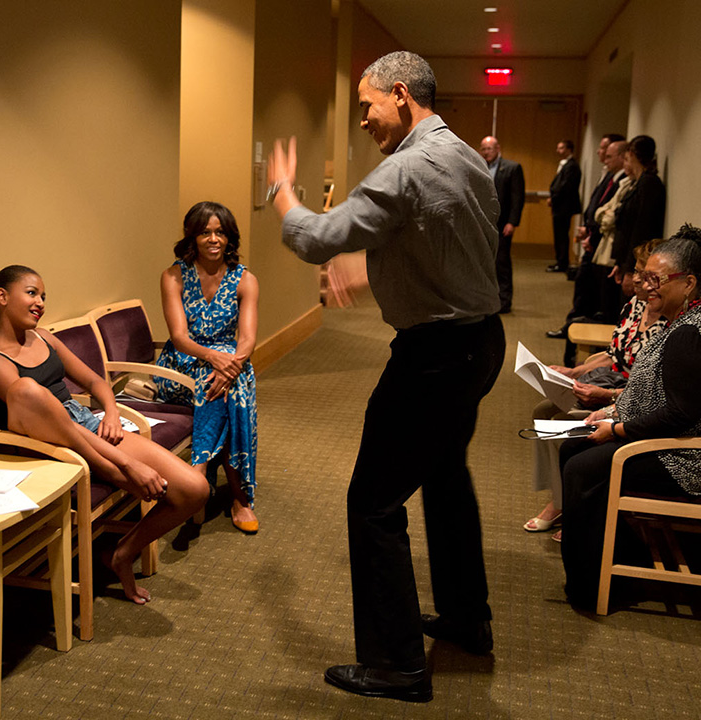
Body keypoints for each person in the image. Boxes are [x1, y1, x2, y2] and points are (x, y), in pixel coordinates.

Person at [266, 50, 504, 703]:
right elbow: (440, 241)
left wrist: (281, 192)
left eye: (367, 106)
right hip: (480, 344)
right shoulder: (465, 158)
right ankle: (465, 619)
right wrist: (374, 263)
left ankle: (397, 664)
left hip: (433, 358)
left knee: (372, 501)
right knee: (445, 477)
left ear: (401, 94)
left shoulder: (407, 168)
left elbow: (316, 237)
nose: (365, 120)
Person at [0, 265, 210, 605]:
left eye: (43, 296)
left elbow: (95, 381)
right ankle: (125, 469)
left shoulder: (45, 338)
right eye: (31, 293)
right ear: (2, 296)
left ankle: (121, 553)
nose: (40, 302)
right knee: (31, 390)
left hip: (85, 426)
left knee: (195, 489)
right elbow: (56, 426)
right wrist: (129, 464)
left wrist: (112, 413)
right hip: (53, 445)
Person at [557, 225, 701, 610]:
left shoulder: (692, 333)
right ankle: (619, 557)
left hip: (695, 457)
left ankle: (591, 587)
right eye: (643, 277)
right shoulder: (682, 319)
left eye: (655, 279)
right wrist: (612, 412)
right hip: (675, 441)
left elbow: (679, 413)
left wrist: (617, 429)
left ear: (689, 283)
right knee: (572, 447)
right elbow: (660, 395)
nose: (645, 287)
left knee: (583, 469)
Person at [524, 240, 667, 542]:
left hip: (626, 395)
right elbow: (614, 354)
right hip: (611, 381)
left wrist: (605, 397)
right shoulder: (634, 306)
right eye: (637, 272)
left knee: (563, 424)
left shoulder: (670, 321)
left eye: (645, 274)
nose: (636, 279)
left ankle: (569, 504)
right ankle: (562, 499)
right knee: (542, 411)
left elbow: (652, 390)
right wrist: (573, 372)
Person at [153, 201, 260, 534]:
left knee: (230, 388)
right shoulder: (173, 276)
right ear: (192, 237)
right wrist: (215, 360)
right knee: (223, 387)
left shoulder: (246, 280)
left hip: (229, 364)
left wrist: (229, 367)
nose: (213, 239)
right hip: (181, 365)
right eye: (205, 232)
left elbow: (247, 339)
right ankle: (240, 497)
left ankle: (196, 475)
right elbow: (179, 337)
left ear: (229, 238)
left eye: (220, 232)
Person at [546, 136, 627, 349]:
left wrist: (593, 232)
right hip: (593, 238)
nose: (603, 157)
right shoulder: (609, 176)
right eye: (602, 151)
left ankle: (578, 327)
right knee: (583, 286)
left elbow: (609, 214)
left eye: (608, 154)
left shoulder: (621, 181)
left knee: (590, 289)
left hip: (601, 245)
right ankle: (573, 324)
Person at [601, 134, 666, 321]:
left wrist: (631, 270)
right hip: (626, 261)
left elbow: (640, 230)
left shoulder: (649, 184)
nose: (625, 164)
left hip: (636, 262)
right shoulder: (637, 184)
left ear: (634, 156)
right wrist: (620, 263)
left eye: (627, 159)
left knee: (629, 312)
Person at [478, 136, 525, 313]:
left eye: (489, 149)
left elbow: (517, 198)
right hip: (482, 224)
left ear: (498, 148)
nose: (486, 152)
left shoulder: (512, 168)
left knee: (501, 262)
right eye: (483, 149)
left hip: (503, 224)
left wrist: (512, 222)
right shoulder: (479, 166)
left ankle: (504, 301)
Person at [546, 139, 582, 273]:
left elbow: (565, 186)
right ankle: (560, 261)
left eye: (561, 148)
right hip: (560, 205)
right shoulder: (565, 164)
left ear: (568, 149)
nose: (558, 151)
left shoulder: (572, 166)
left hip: (564, 206)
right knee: (559, 234)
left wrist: (553, 198)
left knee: (561, 235)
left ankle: (562, 263)